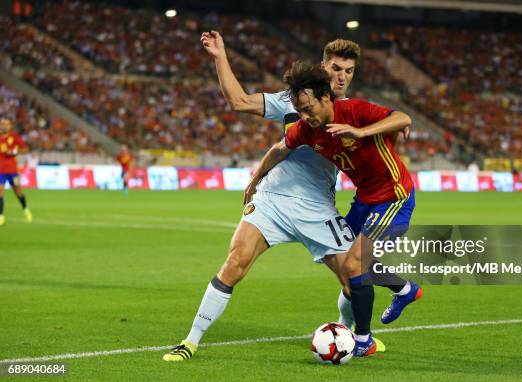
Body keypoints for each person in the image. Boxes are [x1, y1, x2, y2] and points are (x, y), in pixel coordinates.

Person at [162, 33, 413, 362]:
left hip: (318, 207)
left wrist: (388, 128)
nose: (341, 76)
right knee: (235, 263)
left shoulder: (352, 112)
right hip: (274, 200)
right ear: (322, 67)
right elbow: (238, 103)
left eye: (348, 71)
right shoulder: (289, 101)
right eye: (336, 68)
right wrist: (220, 56)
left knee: (353, 276)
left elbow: (388, 128)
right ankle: (190, 341)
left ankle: (349, 335)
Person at [252, 61, 422, 356]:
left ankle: (364, 339)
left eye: (308, 108)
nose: (305, 116)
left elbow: (403, 117)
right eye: (300, 111)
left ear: (325, 98)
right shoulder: (307, 129)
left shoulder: (355, 111)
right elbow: (280, 148)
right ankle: (405, 289)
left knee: (356, 263)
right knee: (348, 261)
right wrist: (254, 179)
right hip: (365, 199)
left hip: (394, 196)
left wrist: (362, 132)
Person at [0, 118, 32, 226]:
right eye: (2, 124)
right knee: (0, 191)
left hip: (13, 171)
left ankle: (25, 209)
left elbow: (25, 149)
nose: (4, 126)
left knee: (18, 192)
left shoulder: (14, 137)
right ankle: (1, 216)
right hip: (1, 171)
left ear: (10, 126)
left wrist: (15, 151)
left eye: (6, 124)